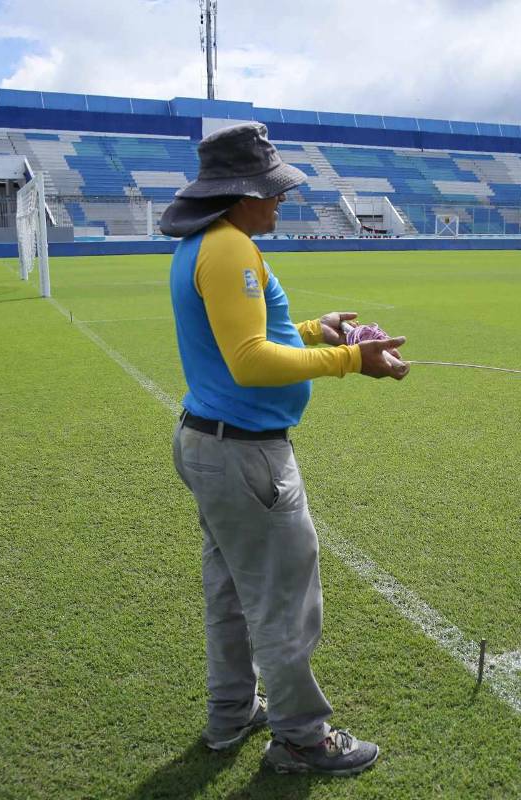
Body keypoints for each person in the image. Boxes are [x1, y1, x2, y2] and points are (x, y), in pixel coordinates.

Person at [160, 122, 408, 776]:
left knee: (231, 593)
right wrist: (352, 359)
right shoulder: (230, 249)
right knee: (283, 601)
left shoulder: (203, 244)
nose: (280, 200)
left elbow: (247, 335)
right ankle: (301, 737)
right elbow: (249, 360)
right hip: (244, 455)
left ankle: (232, 713)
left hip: (210, 443)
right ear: (242, 194)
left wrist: (314, 330)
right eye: (272, 190)